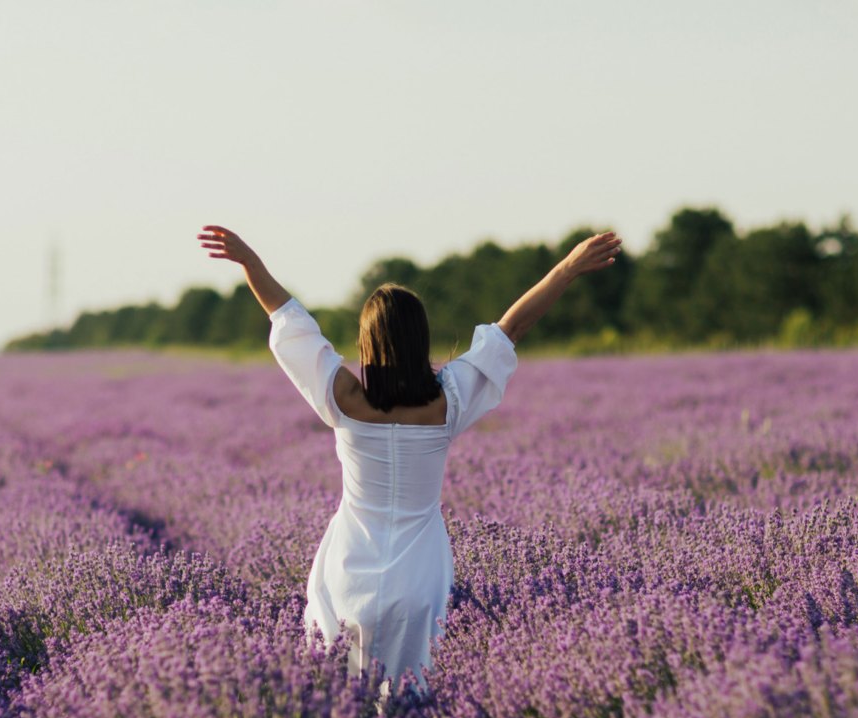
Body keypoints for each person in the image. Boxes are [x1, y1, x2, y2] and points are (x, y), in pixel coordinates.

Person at [197, 225, 622, 693]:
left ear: (367, 342)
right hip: (421, 577)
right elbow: (511, 329)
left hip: (348, 572)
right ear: (421, 339)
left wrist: (251, 264)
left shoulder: (344, 400)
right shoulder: (448, 403)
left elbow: (291, 323)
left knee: (340, 697)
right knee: (412, 699)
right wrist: (567, 268)